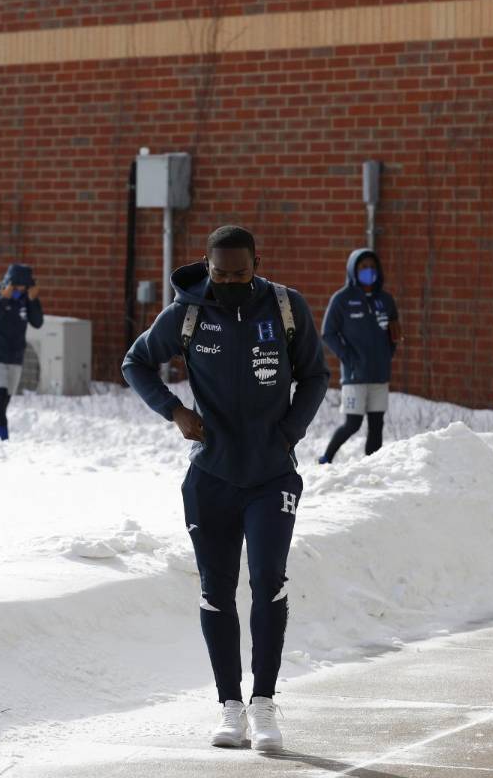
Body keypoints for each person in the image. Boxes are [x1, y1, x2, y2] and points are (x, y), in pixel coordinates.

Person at [122, 225, 329, 752]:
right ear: (207, 266)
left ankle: (264, 704)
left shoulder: (286, 308)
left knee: (266, 580)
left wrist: (287, 433)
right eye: (221, 272)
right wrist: (175, 412)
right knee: (217, 588)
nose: (232, 281)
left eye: (241, 272)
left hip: (271, 475)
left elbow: (315, 376)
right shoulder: (187, 315)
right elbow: (136, 362)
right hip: (211, 477)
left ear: (257, 262)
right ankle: (229, 707)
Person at [319, 248, 402, 463]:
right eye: (363, 267)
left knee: (377, 424)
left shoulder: (386, 300)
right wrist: (348, 357)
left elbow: (394, 332)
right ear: (353, 269)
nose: (369, 271)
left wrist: (387, 355)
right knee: (352, 424)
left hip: (380, 375)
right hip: (355, 375)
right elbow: (328, 332)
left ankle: (371, 466)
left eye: (373, 267)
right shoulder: (342, 299)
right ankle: (326, 458)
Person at [0, 264, 42, 440]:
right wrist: (4, 300)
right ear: (9, 284)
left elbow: (37, 322)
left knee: (4, 403)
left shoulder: (25, 298)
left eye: (24, 288)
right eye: (17, 287)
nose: (20, 291)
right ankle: (5, 442)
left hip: (15, 355)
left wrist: (33, 301)